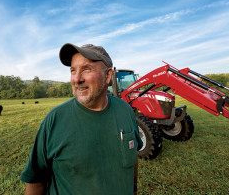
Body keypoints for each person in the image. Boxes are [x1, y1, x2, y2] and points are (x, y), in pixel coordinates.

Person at [20, 43, 143, 195]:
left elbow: (133, 155)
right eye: (73, 71)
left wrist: (134, 189)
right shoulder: (54, 120)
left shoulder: (125, 110)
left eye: (86, 69)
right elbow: (35, 181)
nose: (77, 79)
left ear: (108, 75)